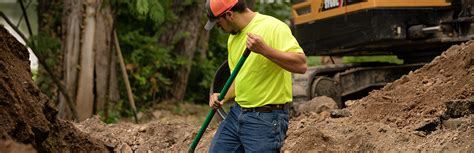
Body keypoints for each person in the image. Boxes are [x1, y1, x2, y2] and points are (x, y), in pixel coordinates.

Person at [205, 0, 307, 152]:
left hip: (265, 119)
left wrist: (264, 50)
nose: (219, 28)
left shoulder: (273, 27)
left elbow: (301, 65)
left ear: (229, 14)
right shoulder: (233, 38)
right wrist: (223, 95)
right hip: (237, 113)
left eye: (219, 24)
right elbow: (239, 78)